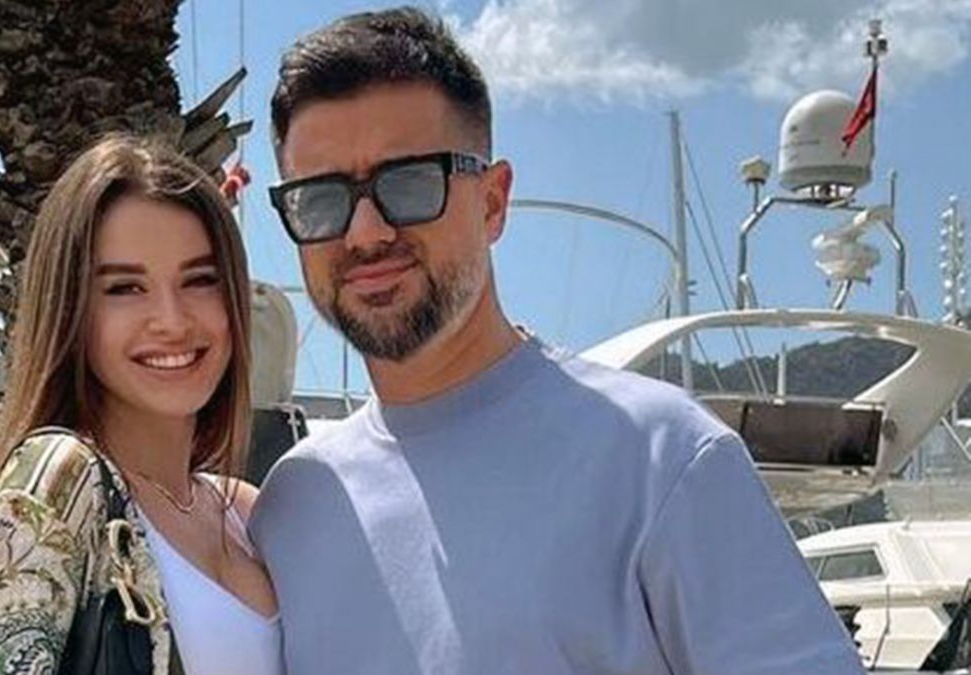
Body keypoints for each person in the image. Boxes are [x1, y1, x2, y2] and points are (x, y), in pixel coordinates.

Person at [251, 7, 864, 675]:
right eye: (320, 198)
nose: (365, 232)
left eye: (410, 183)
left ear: (493, 202)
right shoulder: (292, 507)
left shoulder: (662, 460)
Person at [0, 134, 283, 675]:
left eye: (201, 280)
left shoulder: (246, 513)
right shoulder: (59, 486)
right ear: (72, 311)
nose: (172, 320)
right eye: (124, 288)